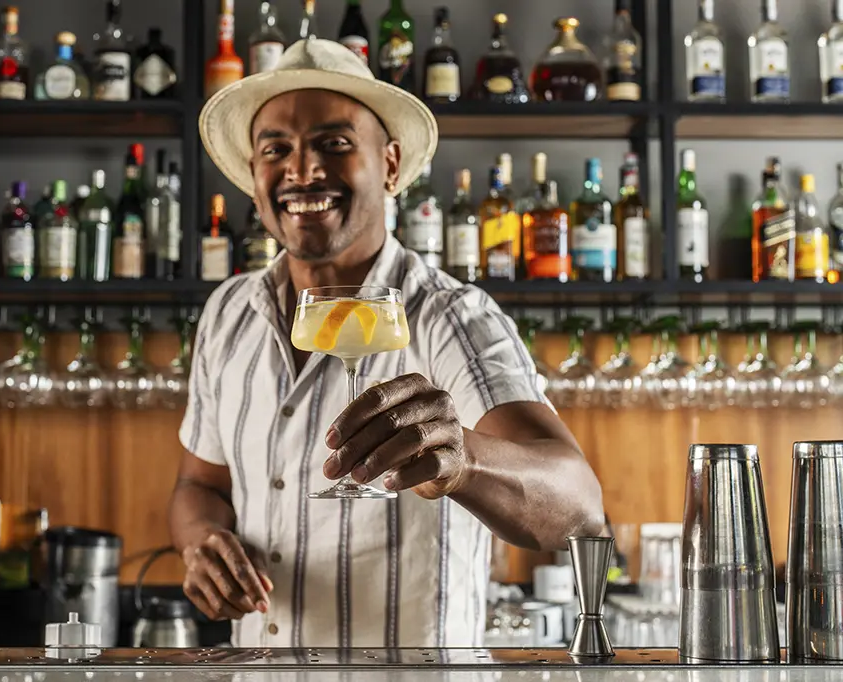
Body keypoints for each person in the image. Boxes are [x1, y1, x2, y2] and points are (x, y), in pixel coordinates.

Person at [169, 38, 604, 649]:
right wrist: (202, 545)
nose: (301, 170)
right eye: (276, 150)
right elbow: (200, 486)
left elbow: (579, 509)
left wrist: (465, 459)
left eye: (334, 144)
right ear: (253, 176)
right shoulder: (228, 313)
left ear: (392, 165)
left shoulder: (450, 315)